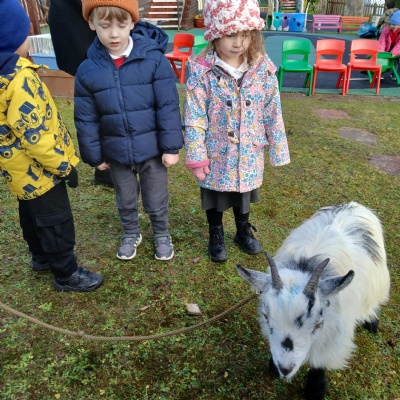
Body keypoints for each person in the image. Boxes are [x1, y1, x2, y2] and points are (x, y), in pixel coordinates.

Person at [0, 0, 103, 292]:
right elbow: (37, 135)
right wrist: (64, 166)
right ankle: (66, 272)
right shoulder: (19, 79)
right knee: (55, 220)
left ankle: (41, 257)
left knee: (30, 214)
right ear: (13, 40)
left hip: (17, 172)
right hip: (41, 172)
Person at [74, 0, 183, 261]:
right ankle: (131, 232)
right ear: (91, 24)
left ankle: (161, 233)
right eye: (105, 26)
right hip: (116, 152)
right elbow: (86, 118)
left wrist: (171, 147)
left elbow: (167, 106)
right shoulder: (87, 70)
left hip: (152, 150)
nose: (114, 34)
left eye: (121, 25)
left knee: (156, 198)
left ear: (132, 23)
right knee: (125, 199)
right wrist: (94, 156)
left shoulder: (154, 60)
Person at [183, 0, 290, 262]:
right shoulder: (203, 73)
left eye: (245, 35)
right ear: (215, 34)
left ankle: (242, 231)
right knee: (214, 194)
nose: (239, 43)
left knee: (244, 193)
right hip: (216, 151)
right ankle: (216, 233)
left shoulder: (261, 69)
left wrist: (278, 148)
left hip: (248, 150)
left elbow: (272, 109)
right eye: (231, 35)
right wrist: (197, 155)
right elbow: (195, 117)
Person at [47, 0, 113, 187]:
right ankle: (106, 168)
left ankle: (106, 168)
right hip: (84, 36)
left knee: (104, 104)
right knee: (101, 105)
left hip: (90, 32)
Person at [379, 10, 400, 80]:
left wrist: (393, 53)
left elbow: (399, 44)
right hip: (386, 47)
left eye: (397, 25)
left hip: (396, 48)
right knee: (382, 60)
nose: (395, 27)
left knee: (395, 60)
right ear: (389, 24)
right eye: (393, 25)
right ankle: (379, 73)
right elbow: (382, 41)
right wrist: (381, 52)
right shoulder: (386, 29)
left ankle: (394, 74)